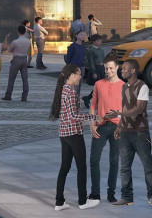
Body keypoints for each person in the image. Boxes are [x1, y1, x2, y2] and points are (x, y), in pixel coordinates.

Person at [51, 64, 99, 211]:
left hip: (64, 133)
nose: (80, 76)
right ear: (71, 75)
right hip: (73, 134)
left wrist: (81, 119)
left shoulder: (63, 90)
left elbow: (67, 114)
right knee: (81, 168)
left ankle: (59, 202)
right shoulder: (70, 92)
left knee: (64, 167)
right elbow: (73, 116)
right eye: (78, 74)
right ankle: (83, 201)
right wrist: (93, 117)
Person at [106, 59, 152, 207]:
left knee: (148, 168)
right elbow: (125, 108)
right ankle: (127, 197)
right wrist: (119, 126)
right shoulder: (124, 87)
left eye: (125, 68)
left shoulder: (142, 86)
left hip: (140, 133)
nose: (122, 70)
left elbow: (138, 109)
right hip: (125, 133)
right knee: (125, 168)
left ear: (133, 71)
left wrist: (119, 113)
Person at [88, 57, 122, 205]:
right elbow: (93, 105)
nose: (108, 71)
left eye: (111, 68)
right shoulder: (98, 84)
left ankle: (111, 193)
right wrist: (92, 124)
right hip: (100, 126)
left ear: (117, 68)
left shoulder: (125, 87)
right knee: (94, 160)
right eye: (106, 68)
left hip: (117, 127)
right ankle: (95, 193)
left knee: (114, 161)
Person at [4, 24, 31, 102]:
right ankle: (24, 97)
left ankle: (8, 95)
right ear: (25, 31)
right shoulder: (28, 41)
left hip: (16, 59)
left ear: (18, 31)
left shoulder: (15, 42)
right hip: (24, 59)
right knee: (25, 79)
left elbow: (10, 50)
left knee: (11, 78)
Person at [82, 35, 106, 108]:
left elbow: (104, 61)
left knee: (100, 87)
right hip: (96, 68)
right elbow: (91, 62)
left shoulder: (101, 50)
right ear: (93, 42)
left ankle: (88, 98)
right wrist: (93, 72)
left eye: (100, 40)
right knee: (99, 87)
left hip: (101, 68)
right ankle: (97, 102)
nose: (100, 42)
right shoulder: (91, 50)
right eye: (98, 41)